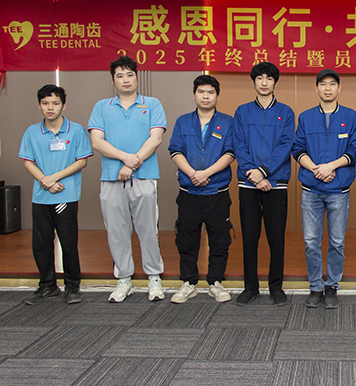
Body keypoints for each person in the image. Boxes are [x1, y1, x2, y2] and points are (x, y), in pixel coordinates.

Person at [88, 55, 167, 303]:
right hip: (111, 179)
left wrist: (132, 164)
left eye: (130, 75)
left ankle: (154, 277)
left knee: (148, 230)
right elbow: (97, 141)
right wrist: (126, 159)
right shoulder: (102, 107)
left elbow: (156, 139)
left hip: (144, 177)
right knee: (116, 231)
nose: (125, 80)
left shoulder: (152, 104)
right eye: (120, 76)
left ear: (137, 77)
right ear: (113, 80)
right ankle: (124, 279)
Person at [292, 69, 356, 309]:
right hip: (311, 189)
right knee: (311, 241)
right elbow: (298, 149)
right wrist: (316, 169)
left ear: (339, 88)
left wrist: (331, 166)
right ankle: (315, 286)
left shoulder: (351, 117)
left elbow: (355, 151)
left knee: (337, 242)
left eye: (332, 84)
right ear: (316, 88)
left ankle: (331, 286)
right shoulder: (306, 117)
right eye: (323, 84)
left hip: (338, 190)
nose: (328, 88)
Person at [19, 84, 92, 305]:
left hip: (66, 196)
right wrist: (45, 180)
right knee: (41, 243)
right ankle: (47, 285)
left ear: (63, 105)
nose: (50, 108)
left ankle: (72, 286)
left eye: (55, 103)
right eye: (45, 103)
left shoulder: (76, 130)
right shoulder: (32, 132)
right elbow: (28, 162)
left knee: (68, 243)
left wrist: (54, 178)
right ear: (39, 106)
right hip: (41, 196)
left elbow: (82, 161)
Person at [168, 75, 235, 304]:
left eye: (210, 92)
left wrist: (206, 174)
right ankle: (189, 283)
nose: (206, 96)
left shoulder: (227, 122)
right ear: (194, 94)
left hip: (217, 193)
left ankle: (215, 282)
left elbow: (230, 152)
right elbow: (175, 150)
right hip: (189, 193)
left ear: (217, 95)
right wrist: (193, 174)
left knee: (220, 240)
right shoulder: (183, 121)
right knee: (186, 239)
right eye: (201, 92)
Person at [233, 62, 295, 306]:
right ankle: (250, 287)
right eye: (259, 78)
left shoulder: (286, 112)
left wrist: (264, 171)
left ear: (275, 82)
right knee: (249, 237)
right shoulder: (242, 111)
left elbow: (286, 145)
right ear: (254, 82)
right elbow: (238, 144)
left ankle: (276, 287)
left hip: (275, 183)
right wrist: (254, 174)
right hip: (249, 183)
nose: (264, 82)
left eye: (269, 78)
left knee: (276, 238)